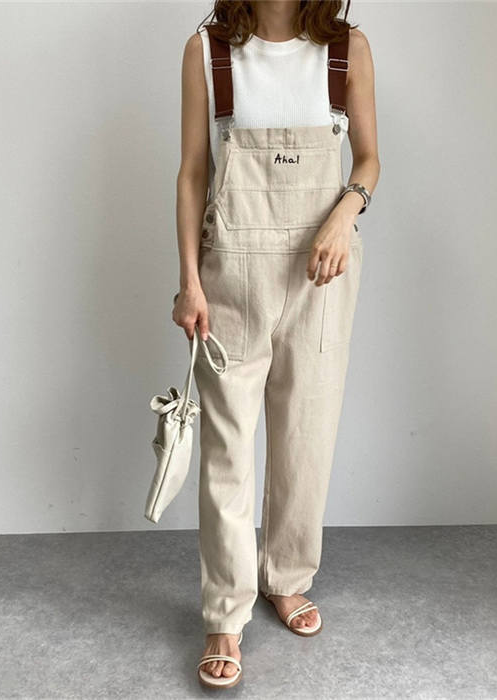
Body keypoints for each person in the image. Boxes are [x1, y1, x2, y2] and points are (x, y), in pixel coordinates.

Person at [172, 0, 380, 688]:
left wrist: (345, 214)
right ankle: (224, 613)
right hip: (230, 274)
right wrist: (189, 282)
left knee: (306, 437)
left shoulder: (346, 48)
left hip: (324, 273)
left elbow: (370, 160)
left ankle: (287, 576)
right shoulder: (209, 52)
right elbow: (193, 172)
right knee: (226, 450)